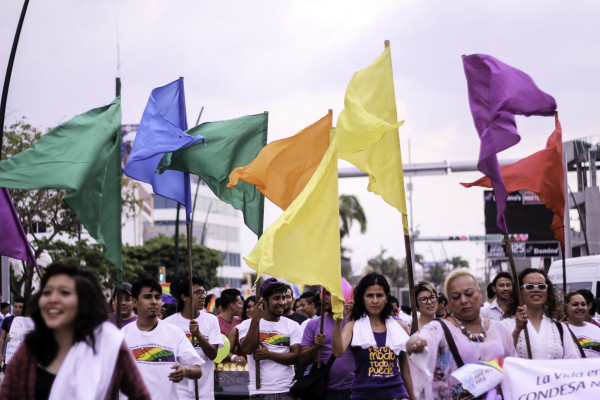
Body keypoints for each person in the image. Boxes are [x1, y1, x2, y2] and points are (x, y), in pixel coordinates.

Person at [0, 261, 150, 399]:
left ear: (84, 301)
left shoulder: (109, 343)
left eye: (64, 292)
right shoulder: (30, 349)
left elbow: (140, 396)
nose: (53, 299)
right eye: (47, 292)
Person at [406, 269, 516, 400]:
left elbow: (513, 369)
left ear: (480, 294)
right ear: (449, 303)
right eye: (456, 297)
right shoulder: (438, 329)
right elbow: (421, 339)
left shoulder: (500, 329)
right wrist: (414, 343)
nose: (463, 300)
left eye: (469, 294)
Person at [332, 273, 412, 400]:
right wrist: (338, 320)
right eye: (370, 295)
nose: (375, 300)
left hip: (397, 395)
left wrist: (412, 397)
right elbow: (337, 352)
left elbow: (405, 370)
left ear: (386, 298)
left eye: (379, 295)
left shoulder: (400, 327)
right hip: (363, 395)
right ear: (362, 299)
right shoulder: (352, 327)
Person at [122, 278, 203, 399]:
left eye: (157, 297)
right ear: (134, 302)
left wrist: (185, 371)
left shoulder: (174, 333)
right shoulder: (122, 336)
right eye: (147, 297)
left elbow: (197, 370)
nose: (154, 301)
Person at [238, 278, 302, 399]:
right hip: (260, 392)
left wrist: (268, 355)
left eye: (283, 298)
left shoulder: (293, 326)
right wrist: (255, 322)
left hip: (287, 391)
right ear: (264, 301)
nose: (282, 302)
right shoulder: (247, 324)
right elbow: (247, 348)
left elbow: (296, 357)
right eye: (276, 298)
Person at [164, 276, 223, 400]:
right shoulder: (168, 323)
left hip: (204, 392)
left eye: (203, 292)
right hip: (177, 392)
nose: (203, 296)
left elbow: (213, 355)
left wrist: (199, 336)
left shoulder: (211, 320)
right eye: (197, 292)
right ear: (184, 297)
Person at [502, 268, 579, 359]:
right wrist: (517, 330)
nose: (536, 290)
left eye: (541, 286)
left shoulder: (560, 328)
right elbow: (500, 357)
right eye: (530, 286)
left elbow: (572, 362)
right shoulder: (505, 325)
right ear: (519, 292)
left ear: (547, 291)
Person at [299, 287, 355, 400]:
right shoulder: (313, 324)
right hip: (323, 390)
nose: (324, 297)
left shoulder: (355, 322)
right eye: (323, 293)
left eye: (329, 294)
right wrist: (315, 347)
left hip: (353, 389)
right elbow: (302, 359)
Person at [563, 291, 600, 358]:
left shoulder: (596, 329)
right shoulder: (560, 330)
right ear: (566, 307)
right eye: (575, 304)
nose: (580, 307)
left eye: (583, 304)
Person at [216, 288, 246, 367]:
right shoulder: (214, 323)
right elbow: (218, 349)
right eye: (239, 303)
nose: (242, 306)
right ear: (232, 306)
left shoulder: (241, 322)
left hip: (239, 369)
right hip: (219, 369)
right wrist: (234, 356)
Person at [0, 297, 24, 367]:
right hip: (10, 355)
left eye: (20, 307)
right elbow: (2, 338)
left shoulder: (28, 321)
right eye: (15, 306)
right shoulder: (7, 320)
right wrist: (0, 355)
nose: (17, 309)